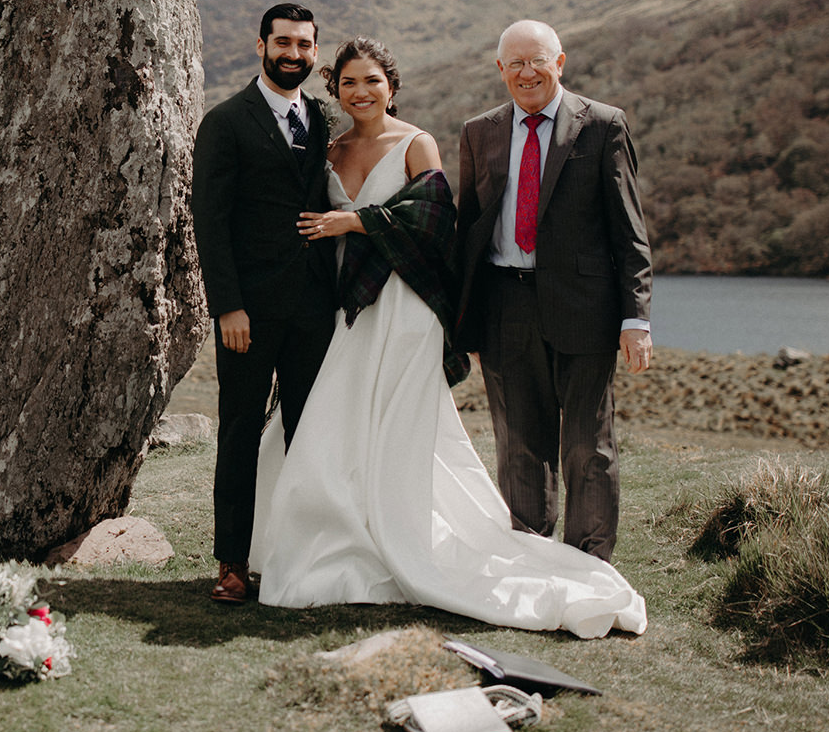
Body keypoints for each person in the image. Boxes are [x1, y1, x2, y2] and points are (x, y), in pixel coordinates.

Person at [250, 37, 645, 638]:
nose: (362, 92)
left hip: (405, 308)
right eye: (350, 82)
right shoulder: (327, 151)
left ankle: (418, 536)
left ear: (392, 85)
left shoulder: (417, 142)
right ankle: (339, 539)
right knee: (335, 421)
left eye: (373, 81)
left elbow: (436, 216)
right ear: (335, 88)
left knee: (408, 431)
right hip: (350, 305)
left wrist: (356, 220)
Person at [452, 19, 653, 562]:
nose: (527, 72)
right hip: (504, 308)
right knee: (519, 444)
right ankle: (532, 559)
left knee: (589, 446)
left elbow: (628, 230)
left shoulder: (604, 125)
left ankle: (589, 564)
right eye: (515, 63)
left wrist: (635, 318)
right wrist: (461, 318)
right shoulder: (479, 131)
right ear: (500, 70)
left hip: (585, 310)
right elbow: (468, 229)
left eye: (537, 60)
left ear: (559, 63)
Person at [190, 3, 337, 605]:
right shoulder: (225, 122)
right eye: (283, 43)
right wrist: (228, 306)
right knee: (241, 433)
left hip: (314, 311)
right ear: (260, 46)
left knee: (309, 434)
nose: (293, 54)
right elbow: (210, 220)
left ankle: (303, 556)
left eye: (304, 45)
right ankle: (231, 562)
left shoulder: (322, 121)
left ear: (314, 53)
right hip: (247, 313)